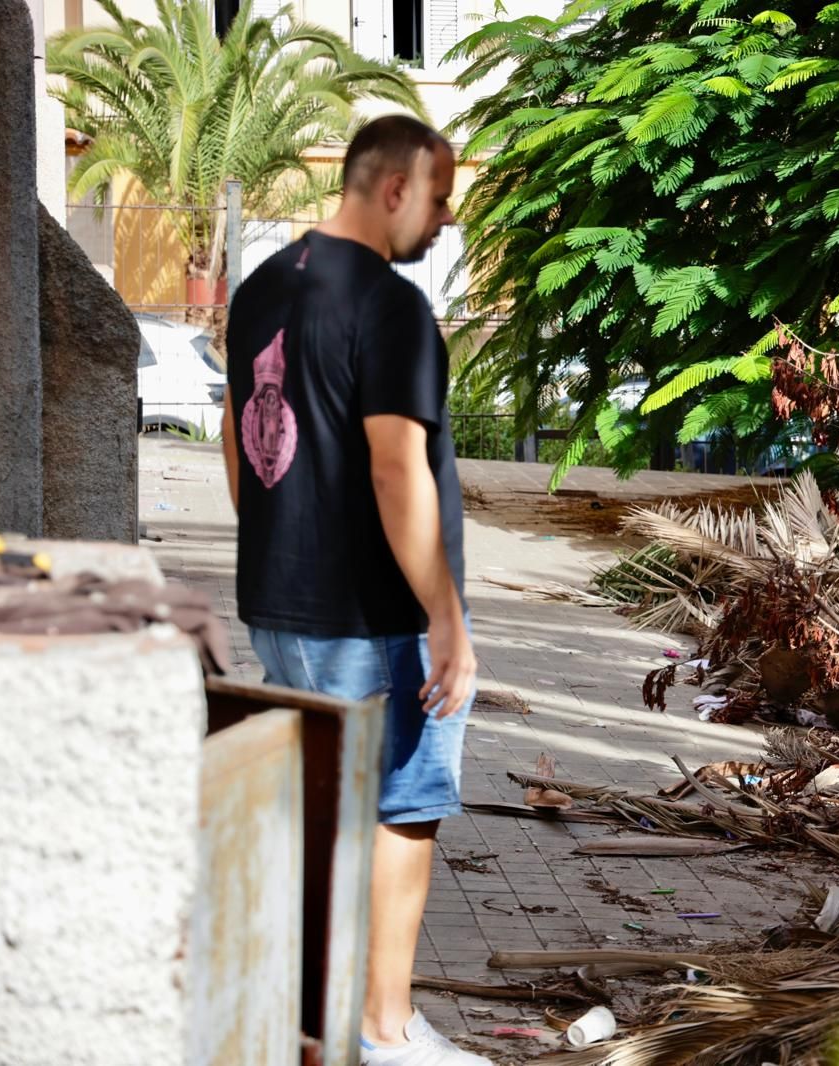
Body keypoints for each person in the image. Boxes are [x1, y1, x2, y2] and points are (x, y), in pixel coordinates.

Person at [221, 114, 488, 1066]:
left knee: (321, 813)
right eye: (442, 195)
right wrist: (447, 619)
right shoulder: (391, 305)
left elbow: (236, 438)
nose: (446, 218)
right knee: (400, 809)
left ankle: (313, 1026)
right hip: (375, 616)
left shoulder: (260, 287)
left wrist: (269, 550)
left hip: (279, 602)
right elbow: (395, 469)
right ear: (395, 189)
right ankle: (382, 1033)